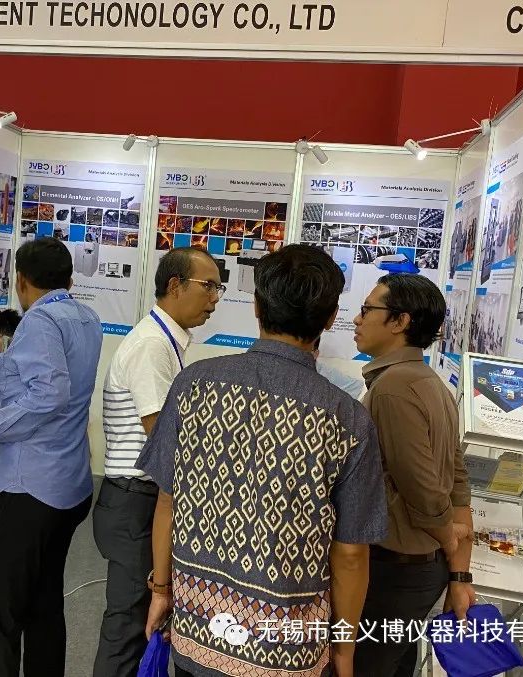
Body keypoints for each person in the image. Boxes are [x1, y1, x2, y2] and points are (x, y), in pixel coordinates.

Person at [138, 244, 387, 677]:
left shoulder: (194, 384)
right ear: (331, 318)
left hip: (200, 625)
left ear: (256, 306)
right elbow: (350, 553)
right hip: (285, 646)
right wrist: (344, 649)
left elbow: (167, 500)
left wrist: (162, 589)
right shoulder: (347, 419)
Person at [0, 237, 102, 677]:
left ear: (20, 280)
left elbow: (48, 395)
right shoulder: (87, 317)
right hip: (70, 483)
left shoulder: (40, 321)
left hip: (30, 488)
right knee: (43, 604)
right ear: (70, 280)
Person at [92, 247, 223, 677]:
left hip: (142, 498)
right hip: (136, 501)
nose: (215, 298)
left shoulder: (166, 341)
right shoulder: (151, 345)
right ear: (174, 285)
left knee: (139, 623)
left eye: (218, 288)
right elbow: (165, 438)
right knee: (129, 626)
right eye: (208, 286)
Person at [352, 274, 475, 677]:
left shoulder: (394, 388)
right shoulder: (428, 382)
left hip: (396, 569)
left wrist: (449, 539)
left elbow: (423, 490)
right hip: (416, 569)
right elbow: (457, 481)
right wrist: (458, 569)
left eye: (368, 309)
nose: (357, 318)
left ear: (400, 321)